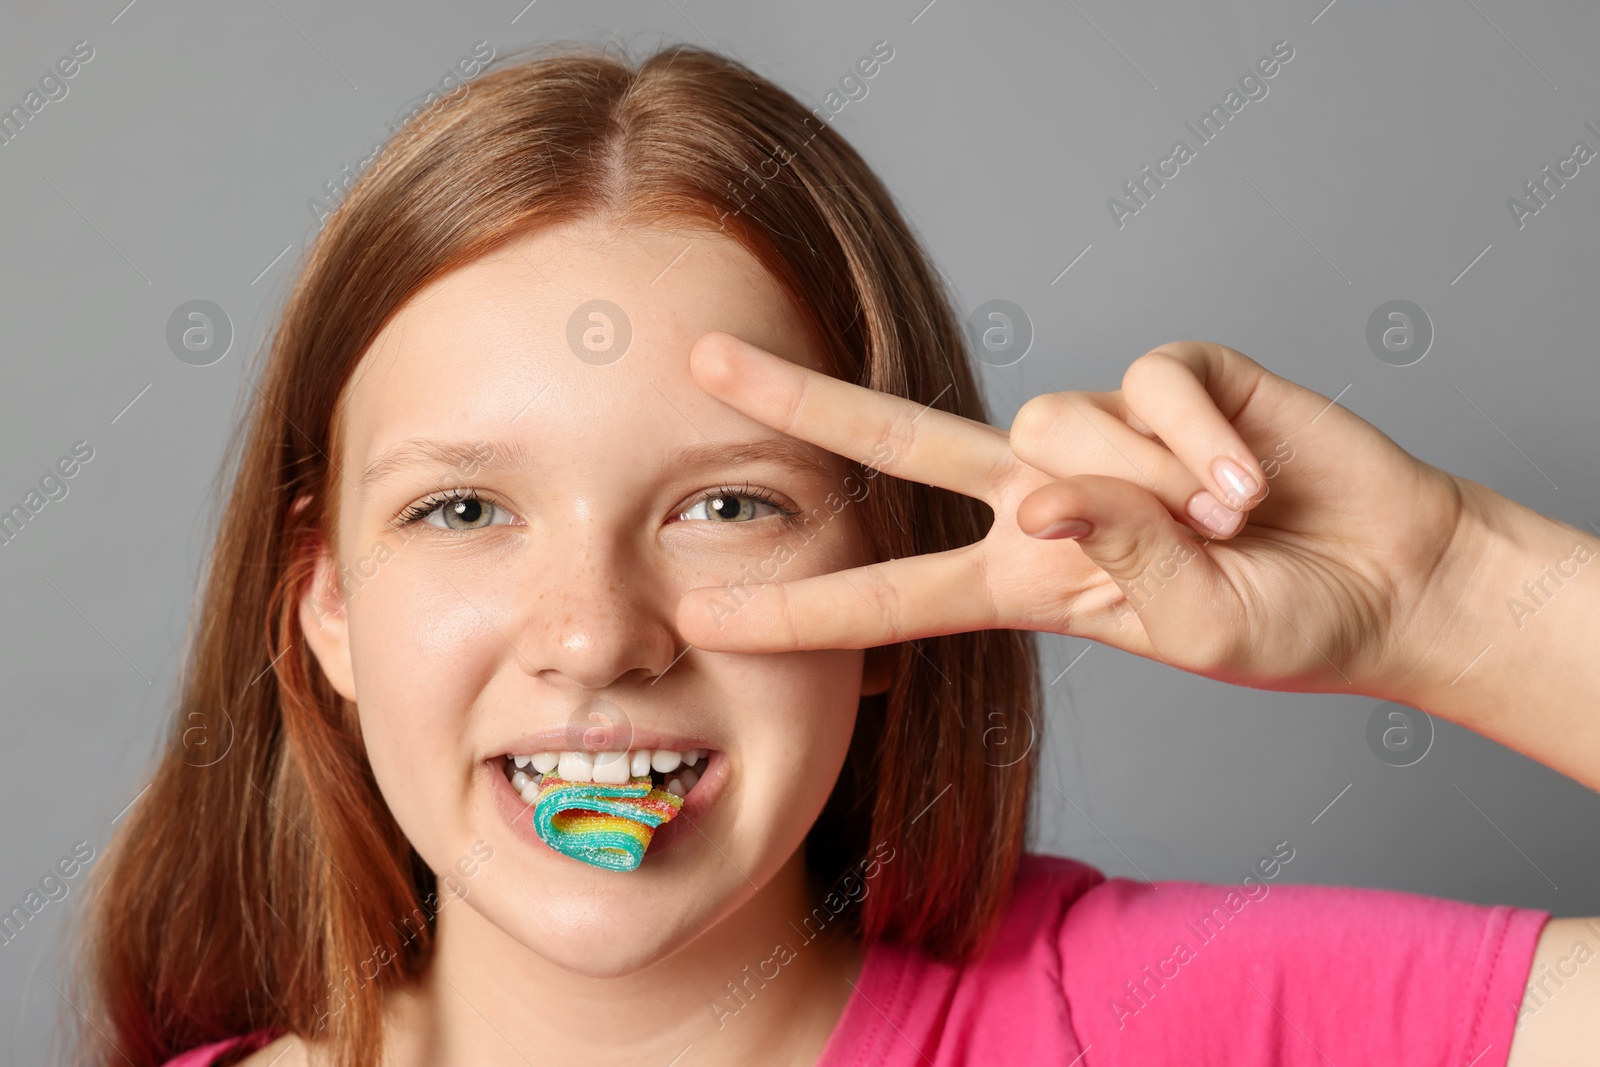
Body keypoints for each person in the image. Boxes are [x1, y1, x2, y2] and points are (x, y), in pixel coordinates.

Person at [69, 41, 1596, 1067]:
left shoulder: (1134, 1019)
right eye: (463, 511)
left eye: (728, 504)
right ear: (325, 603)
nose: (598, 638)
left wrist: (1454, 600)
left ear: (896, 592)